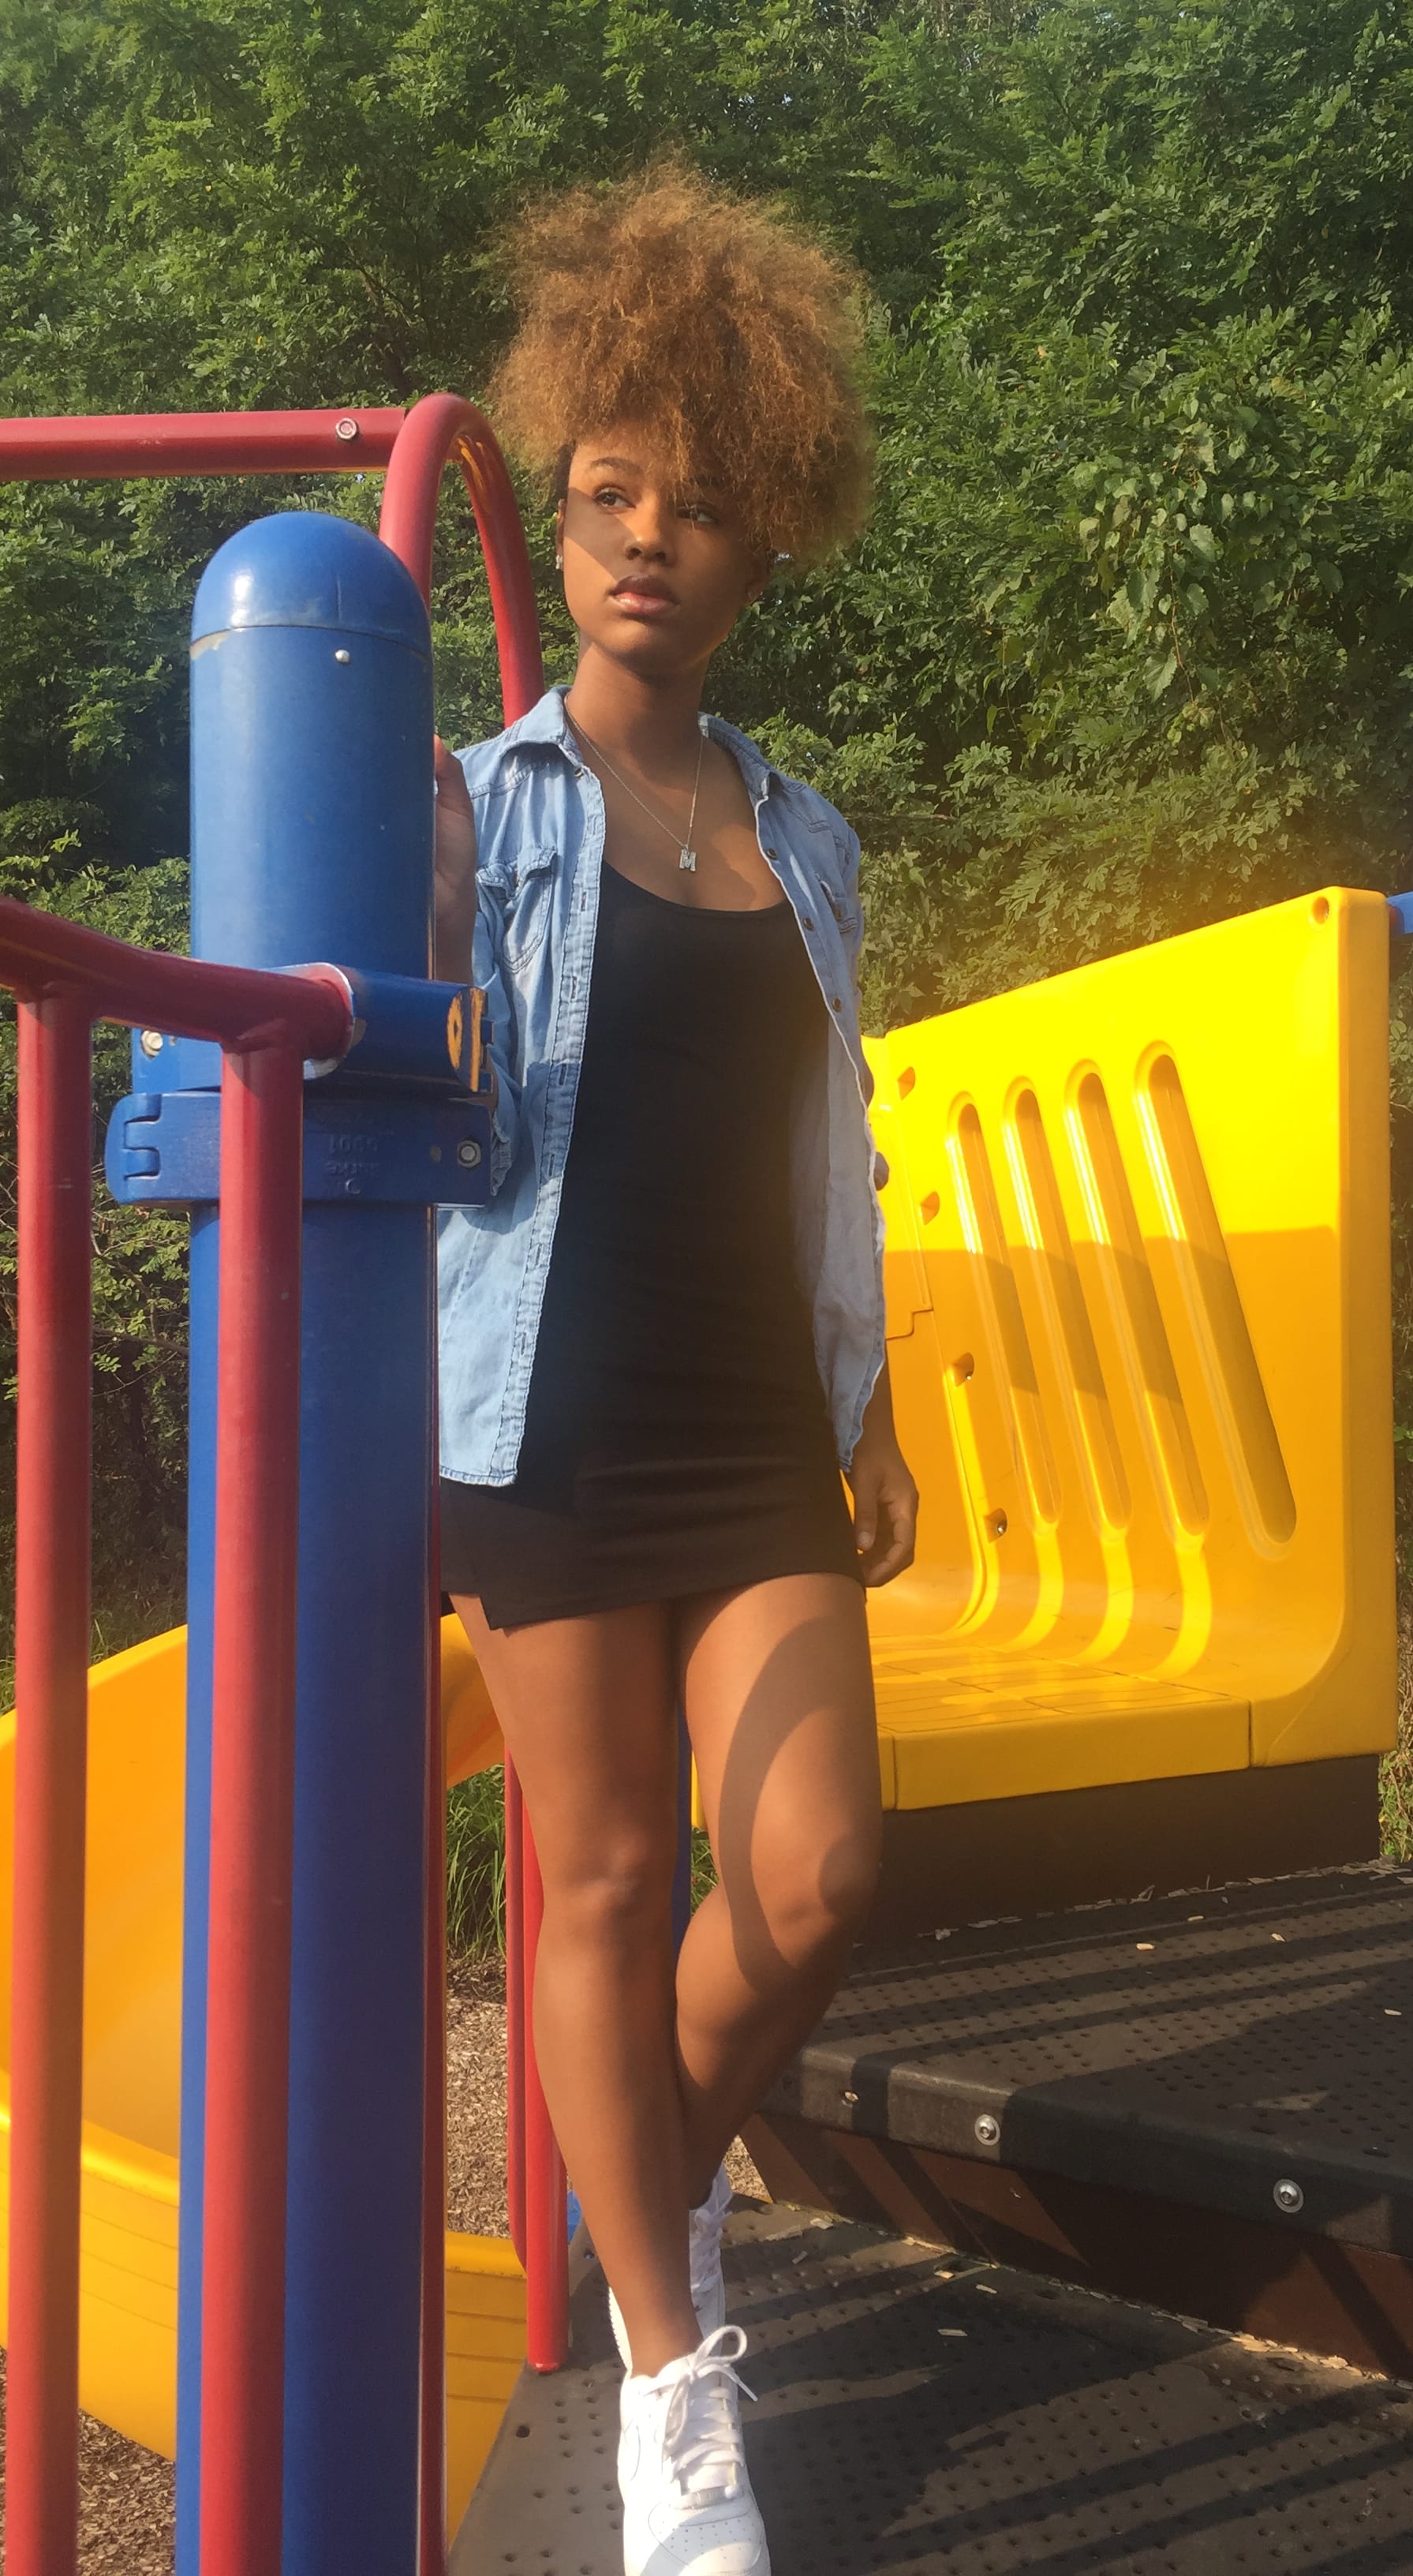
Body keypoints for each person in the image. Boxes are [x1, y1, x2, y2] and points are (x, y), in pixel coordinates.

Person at [432, 163, 918, 2576]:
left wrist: (872, 1397)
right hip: (541, 1414)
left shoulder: (809, 841)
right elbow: (384, 1064)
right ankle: (666, 2384)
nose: (644, 540)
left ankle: (654, 2199)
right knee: (608, 1881)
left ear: (763, 541)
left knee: (818, 1874)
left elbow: (831, 1146)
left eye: (693, 506)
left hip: (749, 1418)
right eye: (607, 494)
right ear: (558, 507)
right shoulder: (475, 803)